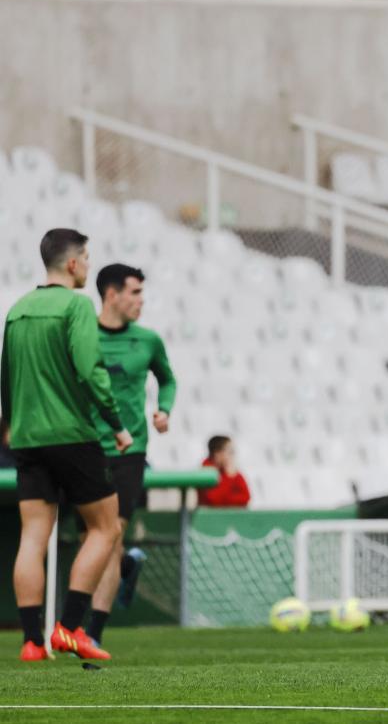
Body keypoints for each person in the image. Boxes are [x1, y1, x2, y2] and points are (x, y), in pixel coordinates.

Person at [2, 228, 131, 662]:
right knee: (106, 528)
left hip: (26, 437)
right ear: (73, 264)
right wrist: (116, 423)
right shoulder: (76, 306)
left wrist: (14, 427)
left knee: (33, 537)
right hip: (71, 436)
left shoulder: (17, 310)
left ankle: (31, 642)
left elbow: (7, 376)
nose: (89, 267)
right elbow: (90, 370)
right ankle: (70, 628)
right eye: (88, 259)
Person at [83, 263, 177, 647]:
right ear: (111, 295)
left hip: (130, 450)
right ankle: (126, 565)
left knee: (110, 532)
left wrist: (165, 410)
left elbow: (168, 378)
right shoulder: (81, 335)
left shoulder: (149, 340)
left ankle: (93, 636)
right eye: (135, 292)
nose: (142, 300)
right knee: (96, 538)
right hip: (85, 448)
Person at [198, 436, 251, 508]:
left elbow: (246, 497)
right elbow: (213, 500)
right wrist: (229, 477)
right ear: (217, 453)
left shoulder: (231, 471)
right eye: (230, 452)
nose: (232, 455)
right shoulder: (206, 471)